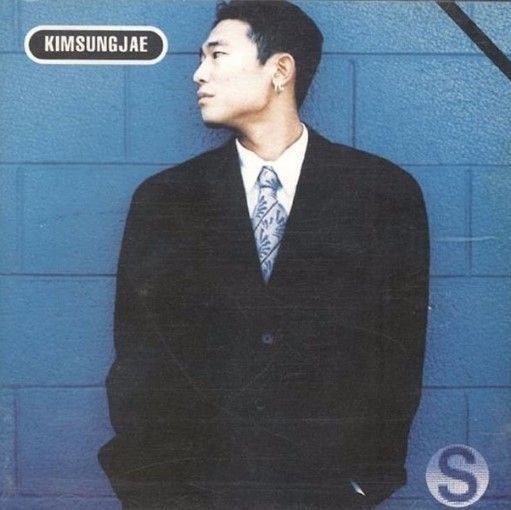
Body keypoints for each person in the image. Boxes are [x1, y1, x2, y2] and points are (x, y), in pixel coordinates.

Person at [98, 1, 430, 509]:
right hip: (193, 494)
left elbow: (399, 354)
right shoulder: (165, 200)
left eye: (216, 55)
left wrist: (364, 482)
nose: (198, 74)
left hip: (324, 495)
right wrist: (151, 489)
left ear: (280, 69)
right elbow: (138, 359)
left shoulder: (384, 194)